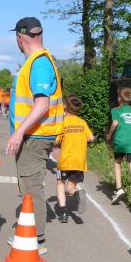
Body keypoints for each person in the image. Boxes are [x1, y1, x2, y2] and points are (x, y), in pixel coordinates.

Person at [5, 17, 65, 255]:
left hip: (34, 136)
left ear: (20, 37)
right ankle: (32, 234)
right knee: (28, 185)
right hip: (36, 136)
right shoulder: (39, 61)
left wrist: (19, 132)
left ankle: (36, 239)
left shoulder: (38, 63)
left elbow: (41, 105)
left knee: (31, 187)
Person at [54, 95, 94, 223]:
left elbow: (56, 140)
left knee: (61, 184)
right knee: (70, 187)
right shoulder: (82, 123)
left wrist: (57, 143)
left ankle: (63, 212)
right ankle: (77, 193)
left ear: (65, 107)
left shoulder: (63, 122)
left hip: (65, 161)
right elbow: (91, 138)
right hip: (79, 161)